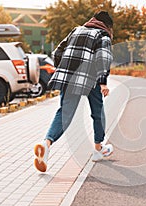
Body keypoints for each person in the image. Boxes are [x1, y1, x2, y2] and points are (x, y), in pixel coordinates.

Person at [33, 11, 114, 172]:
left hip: (69, 77)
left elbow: (57, 52)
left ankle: (46, 144)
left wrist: (63, 69)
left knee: (64, 113)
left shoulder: (76, 30)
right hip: (90, 78)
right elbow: (103, 58)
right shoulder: (103, 35)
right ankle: (98, 148)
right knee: (97, 112)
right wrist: (103, 81)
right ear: (107, 25)